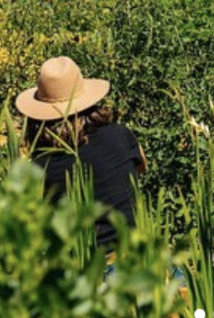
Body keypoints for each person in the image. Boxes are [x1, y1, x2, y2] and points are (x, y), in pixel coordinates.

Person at [15, 56, 147, 250]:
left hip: (86, 268)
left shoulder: (40, 166)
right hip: (135, 256)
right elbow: (141, 168)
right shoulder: (121, 135)